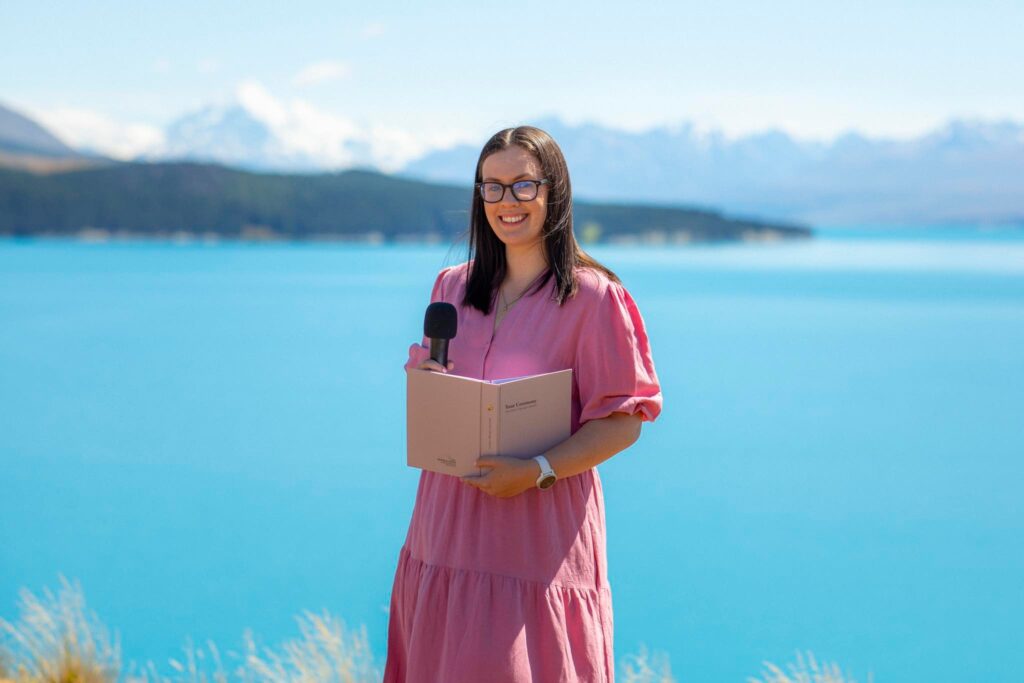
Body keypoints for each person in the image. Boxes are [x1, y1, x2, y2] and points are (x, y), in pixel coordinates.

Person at [384, 126, 662, 682]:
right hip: (445, 527)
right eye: (492, 187)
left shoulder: (594, 298)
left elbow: (625, 421)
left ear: (553, 191)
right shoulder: (451, 286)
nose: (506, 202)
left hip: (537, 537)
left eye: (522, 185)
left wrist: (535, 471)